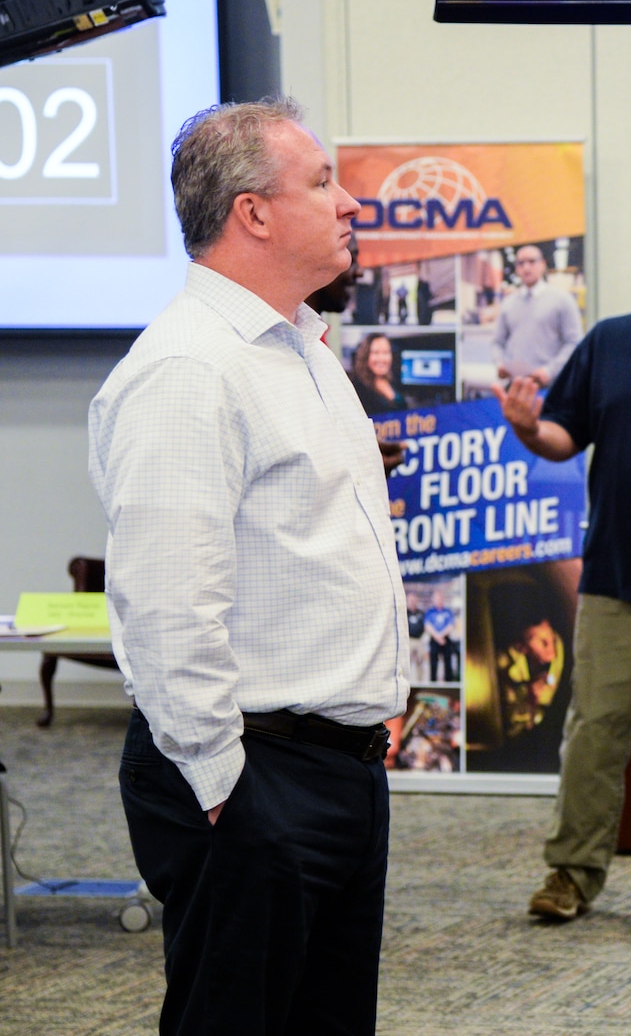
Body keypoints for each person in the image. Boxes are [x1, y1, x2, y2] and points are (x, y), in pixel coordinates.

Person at [88, 98, 408, 1035]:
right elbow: (166, 602)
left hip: (337, 768)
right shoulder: (191, 369)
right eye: (322, 183)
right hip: (251, 774)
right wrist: (224, 783)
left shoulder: (300, 350)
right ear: (253, 214)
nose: (350, 202)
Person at [494, 212, 631, 923]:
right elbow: (565, 435)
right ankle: (571, 874)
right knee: (594, 732)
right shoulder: (605, 343)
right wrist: (530, 428)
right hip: (618, 579)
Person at [493, 244, 583, 386]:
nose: (526, 268)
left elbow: (574, 342)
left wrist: (549, 371)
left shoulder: (562, 300)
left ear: (542, 265)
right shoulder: (508, 304)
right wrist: (500, 364)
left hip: (551, 388)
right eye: (521, 263)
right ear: (516, 268)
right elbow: (497, 342)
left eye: (532, 262)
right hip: (516, 387)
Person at [351, 331, 407, 415]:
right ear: (365, 356)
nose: (382, 359)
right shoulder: (358, 388)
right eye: (376, 353)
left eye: (385, 352)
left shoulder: (394, 381)